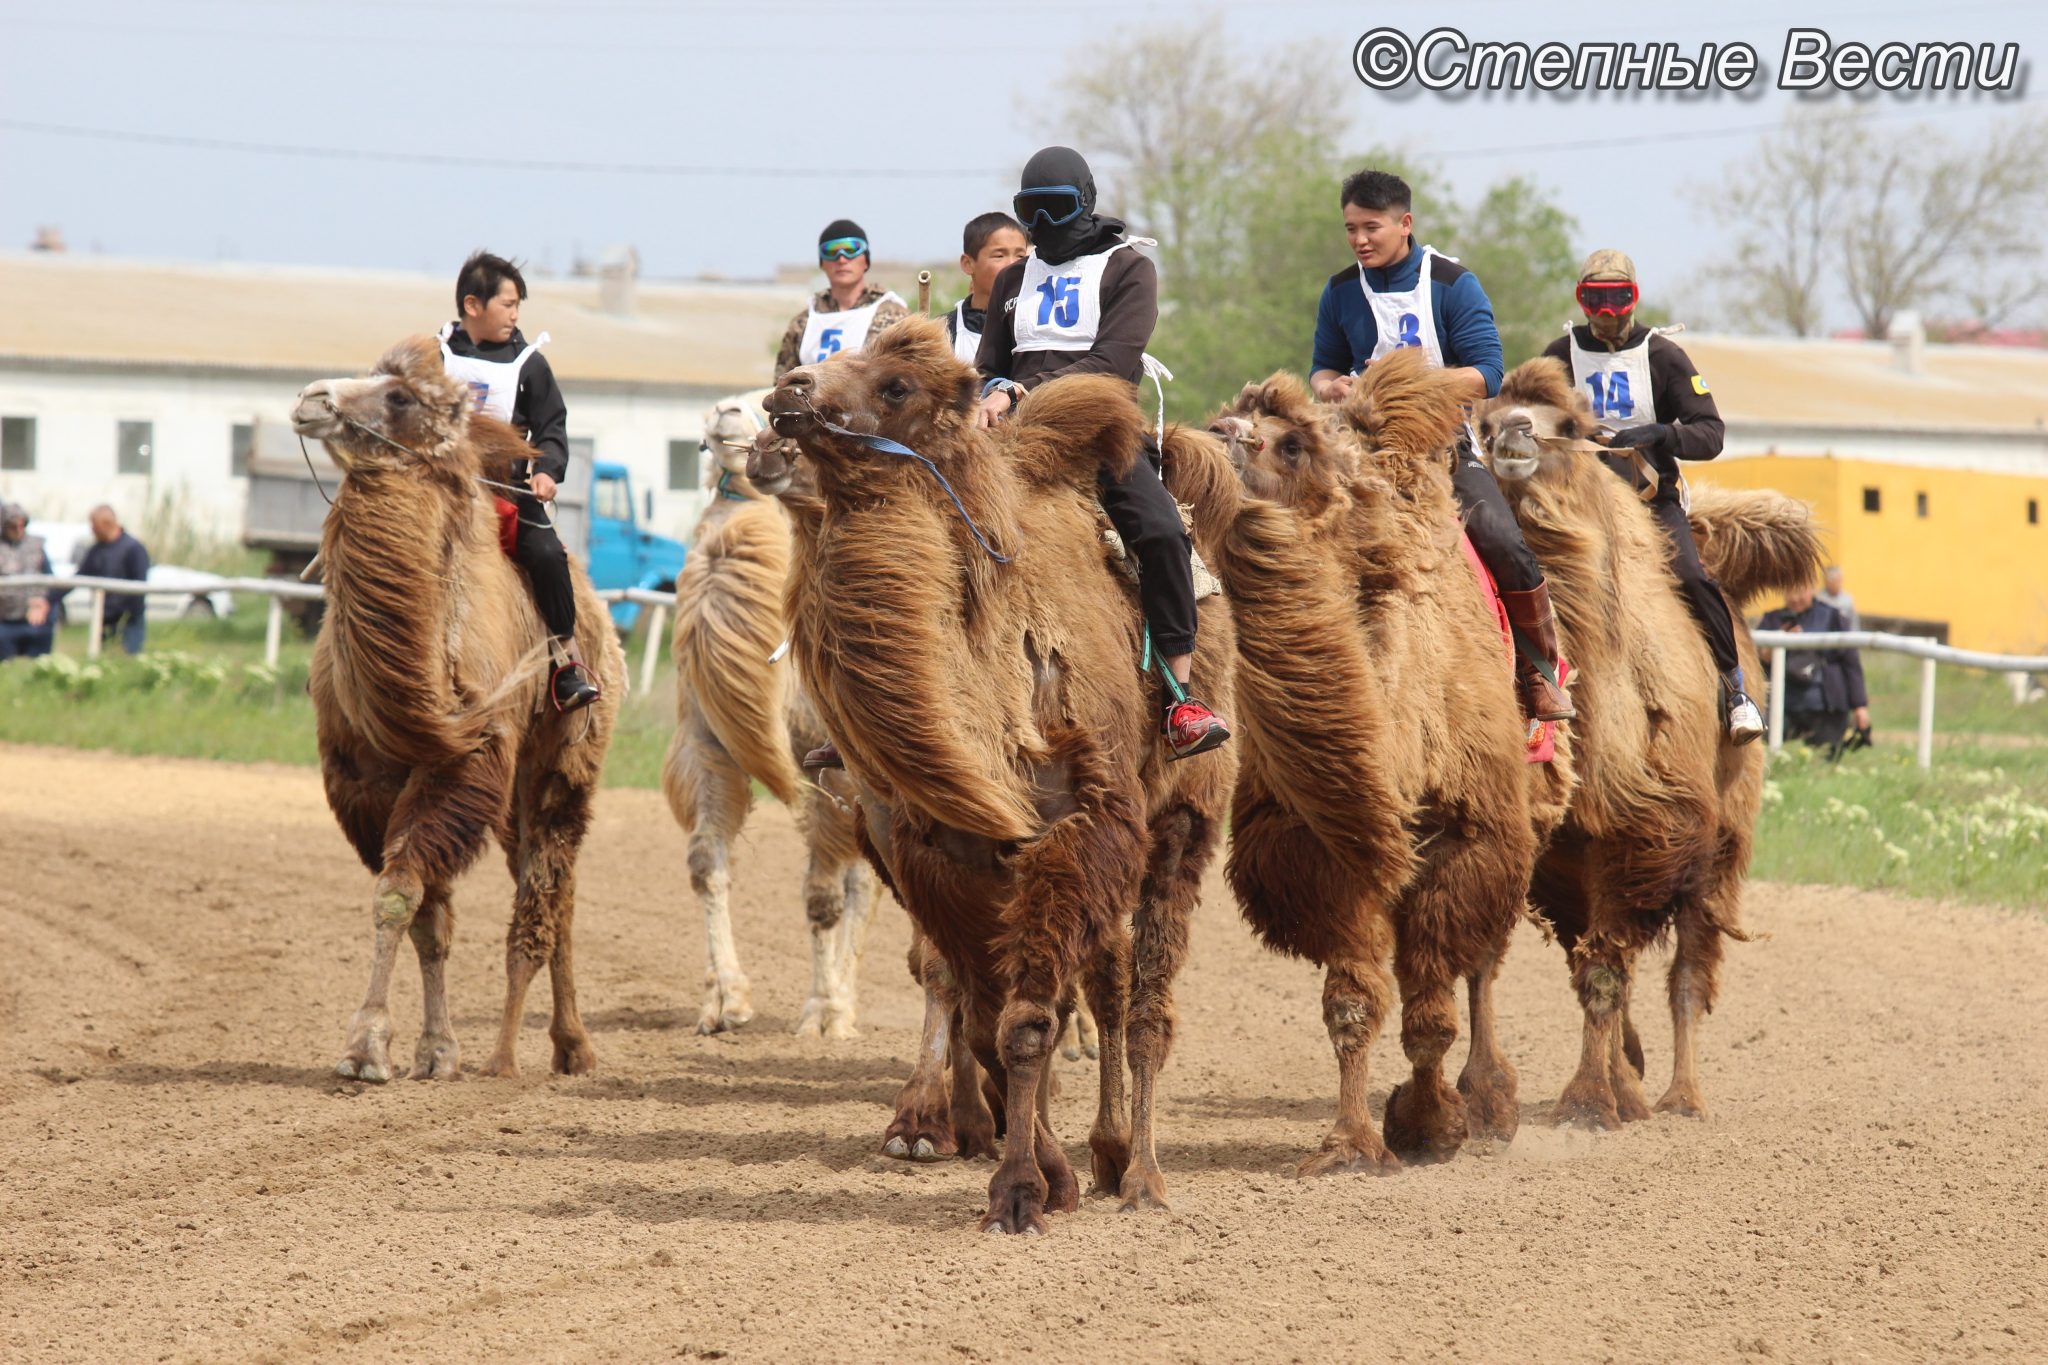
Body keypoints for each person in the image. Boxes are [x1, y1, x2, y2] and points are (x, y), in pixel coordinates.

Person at [975, 145, 1230, 761]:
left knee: (1165, 535)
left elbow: (1114, 365)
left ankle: (1180, 695)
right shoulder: (1011, 279)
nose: (1041, 223)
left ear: (1084, 203)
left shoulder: (1127, 269)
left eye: (1054, 207)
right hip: (1011, 443)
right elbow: (988, 366)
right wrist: (988, 391)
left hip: (1100, 435)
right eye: (1028, 210)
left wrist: (1020, 390)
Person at [1309, 168, 1573, 723]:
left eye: (1371, 228)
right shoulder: (1338, 291)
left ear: (1404, 224)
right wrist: (1332, 386)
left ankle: (1538, 670)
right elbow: (1321, 370)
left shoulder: (1453, 284)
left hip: (1440, 443)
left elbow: (1488, 375)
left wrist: (1407, 384)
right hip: (1356, 443)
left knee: (1503, 541)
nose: (1359, 240)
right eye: (1351, 229)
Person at [1541, 249, 1765, 745]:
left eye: (1619, 298)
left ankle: (1735, 689)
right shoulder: (1559, 356)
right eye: (1594, 299)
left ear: (1634, 298)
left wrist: (1663, 434)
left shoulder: (1663, 355)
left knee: (1690, 575)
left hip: (1649, 499)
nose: (1607, 312)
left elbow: (1711, 433)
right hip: (1578, 503)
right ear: (1580, 301)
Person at [440, 250, 600, 711]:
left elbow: (553, 428)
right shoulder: (432, 357)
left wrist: (548, 470)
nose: (514, 315)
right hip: (442, 489)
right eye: (507, 305)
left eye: (517, 307)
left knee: (549, 555)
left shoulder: (529, 365)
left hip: (505, 493)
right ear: (474, 306)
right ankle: (346, 655)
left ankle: (566, 663)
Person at [773, 219, 908, 380]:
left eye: (851, 249)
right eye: (831, 251)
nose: (842, 259)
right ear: (822, 263)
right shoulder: (803, 323)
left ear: (866, 260)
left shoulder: (895, 316)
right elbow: (781, 387)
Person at [1759, 582, 1869, 756]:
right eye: (1789, 592)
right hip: (1782, 707)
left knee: (1826, 761)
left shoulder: (1833, 617)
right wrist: (1777, 645)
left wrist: (1860, 706)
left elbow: (1851, 662)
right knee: (1771, 755)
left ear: (1812, 588)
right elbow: (1757, 661)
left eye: (1800, 592)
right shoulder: (1772, 620)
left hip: (1825, 708)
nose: (1795, 598)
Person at [945, 211, 1029, 365]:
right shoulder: (944, 332)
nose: (1012, 265)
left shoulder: (1035, 323)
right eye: (999, 256)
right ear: (968, 264)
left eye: (1020, 256)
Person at [76, 504, 150, 655]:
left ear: (105, 524)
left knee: (127, 662)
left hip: (128, 623)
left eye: (94, 526)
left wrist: (125, 615)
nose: (92, 530)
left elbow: (139, 589)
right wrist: (48, 599)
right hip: (104, 620)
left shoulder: (134, 549)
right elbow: (78, 578)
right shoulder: (96, 551)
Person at [0, 502, 61, 660]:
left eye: (23, 525)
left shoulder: (37, 546)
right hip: (4, 622)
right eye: (14, 526)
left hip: (35, 621)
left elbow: (51, 581)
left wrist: (44, 602)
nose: (19, 530)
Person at [1817, 564, 1858, 630]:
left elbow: (1853, 621)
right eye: (1836, 580)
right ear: (1827, 582)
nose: (1839, 583)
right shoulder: (1819, 598)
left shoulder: (1847, 599)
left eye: (1840, 580)